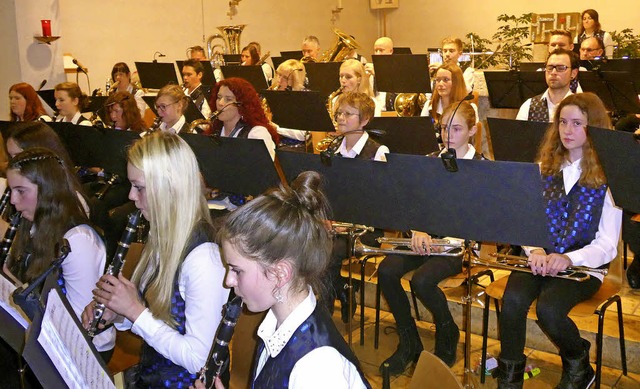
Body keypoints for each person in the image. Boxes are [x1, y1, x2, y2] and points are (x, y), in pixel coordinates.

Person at [495, 93, 622, 389]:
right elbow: (528, 222)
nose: (567, 130)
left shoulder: (609, 179)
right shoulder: (544, 169)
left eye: (578, 123)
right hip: (540, 259)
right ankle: (510, 380)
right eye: (563, 122)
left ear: (595, 128)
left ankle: (579, 364)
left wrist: (568, 259)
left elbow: (607, 244)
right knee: (513, 300)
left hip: (582, 267)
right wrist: (534, 249)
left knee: (549, 309)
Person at [82, 132, 229, 387]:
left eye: (139, 187)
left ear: (169, 186)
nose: (130, 196)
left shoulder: (204, 259)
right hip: (153, 377)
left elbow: (200, 360)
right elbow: (159, 323)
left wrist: (135, 312)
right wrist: (119, 314)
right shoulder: (162, 238)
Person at [212, 170, 371, 389]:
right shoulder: (276, 323)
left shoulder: (317, 370)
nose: (228, 281)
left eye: (237, 270)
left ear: (280, 273)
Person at [377, 101, 483, 374]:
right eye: (444, 127)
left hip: (459, 245)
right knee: (387, 270)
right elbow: (411, 204)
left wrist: (447, 240)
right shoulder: (430, 160)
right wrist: (417, 230)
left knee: (423, 281)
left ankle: (447, 333)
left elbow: (481, 218)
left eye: (457, 129)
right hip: (425, 239)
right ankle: (409, 340)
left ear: (473, 131)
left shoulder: (482, 168)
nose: (448, 134)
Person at [5, 147, 115, 359]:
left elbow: (81, 323)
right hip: (45, 333)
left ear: (47, 190)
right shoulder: (33, 224)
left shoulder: (78, 241)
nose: (12, 201)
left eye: (21, 191)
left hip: (84, 352)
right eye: (11, 191)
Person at [324, 92, 388, 322]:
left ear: (365, 120)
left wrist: (349, 224)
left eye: (348, 114)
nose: (341, 118)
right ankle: (342, 288)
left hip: (366, 229)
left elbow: (382, 202)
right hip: (335, 225)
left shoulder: (378, 153)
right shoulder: (332, 150)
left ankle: (325, 317)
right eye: (339, 113)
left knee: (328, 253)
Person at [209, 77, 278, 160]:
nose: (220, 103)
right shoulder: (215, 130)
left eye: (228, 99)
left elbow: (265, 169)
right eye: (219, 97)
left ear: (242, 104)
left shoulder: (257, 133)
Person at [516, 49, 578, 122]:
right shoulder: (529, 106)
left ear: (573, 73)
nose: (553, 72)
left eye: (561, 68)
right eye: (550, 68)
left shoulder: (580, 107)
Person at [420, 63, 477, 138]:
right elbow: (421, 134)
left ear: (456, 82)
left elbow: (470, 138)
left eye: (446, 80)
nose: (440, 84)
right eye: (438, 80)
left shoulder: (470, 108)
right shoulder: (429, 106)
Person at [270, 59, 311, 151]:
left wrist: (277, 129)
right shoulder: (278, 94)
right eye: (279, 75)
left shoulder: (306, 98)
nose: (279, 80)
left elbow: (303, 135)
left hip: (297, 147)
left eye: (284, 77)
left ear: (295, 79)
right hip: (277, 143)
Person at [365, 37, 396, 112]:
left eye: (381, 50)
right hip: (372, 112)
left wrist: (377, 75)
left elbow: (395, 93)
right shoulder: (370, 68)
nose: (377, 54)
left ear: (390, 51)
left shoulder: (396, 69)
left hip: (389, 112)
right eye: (376, 50)